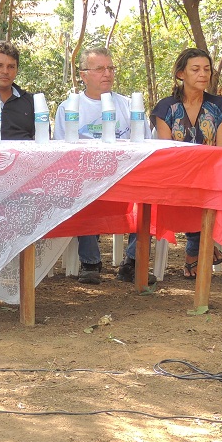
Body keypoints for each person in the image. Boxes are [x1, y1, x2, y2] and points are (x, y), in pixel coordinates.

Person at [53, 47, 152, 285]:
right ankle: (90, 262)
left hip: (127, 176)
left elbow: (146, 144)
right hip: (88, 177)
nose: (107, 73)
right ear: (84, 75)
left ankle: (133, 262)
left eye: (110, 68)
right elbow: (62, 152)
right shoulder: (69, 108)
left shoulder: (129, 106)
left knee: (150, 193)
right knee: (81, 188)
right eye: (100, 68)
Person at [151, 47, 222, 279]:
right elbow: (166, 151)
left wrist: (202, 170)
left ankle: (192, 254)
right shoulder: (166, 108)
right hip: (173, 174)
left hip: (210, 174)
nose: (203, 74)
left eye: (207, 69)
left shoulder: (220, 107)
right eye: (195, 69)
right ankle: (199, 250)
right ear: (181, 74)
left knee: (203, 189)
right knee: (181, 189)